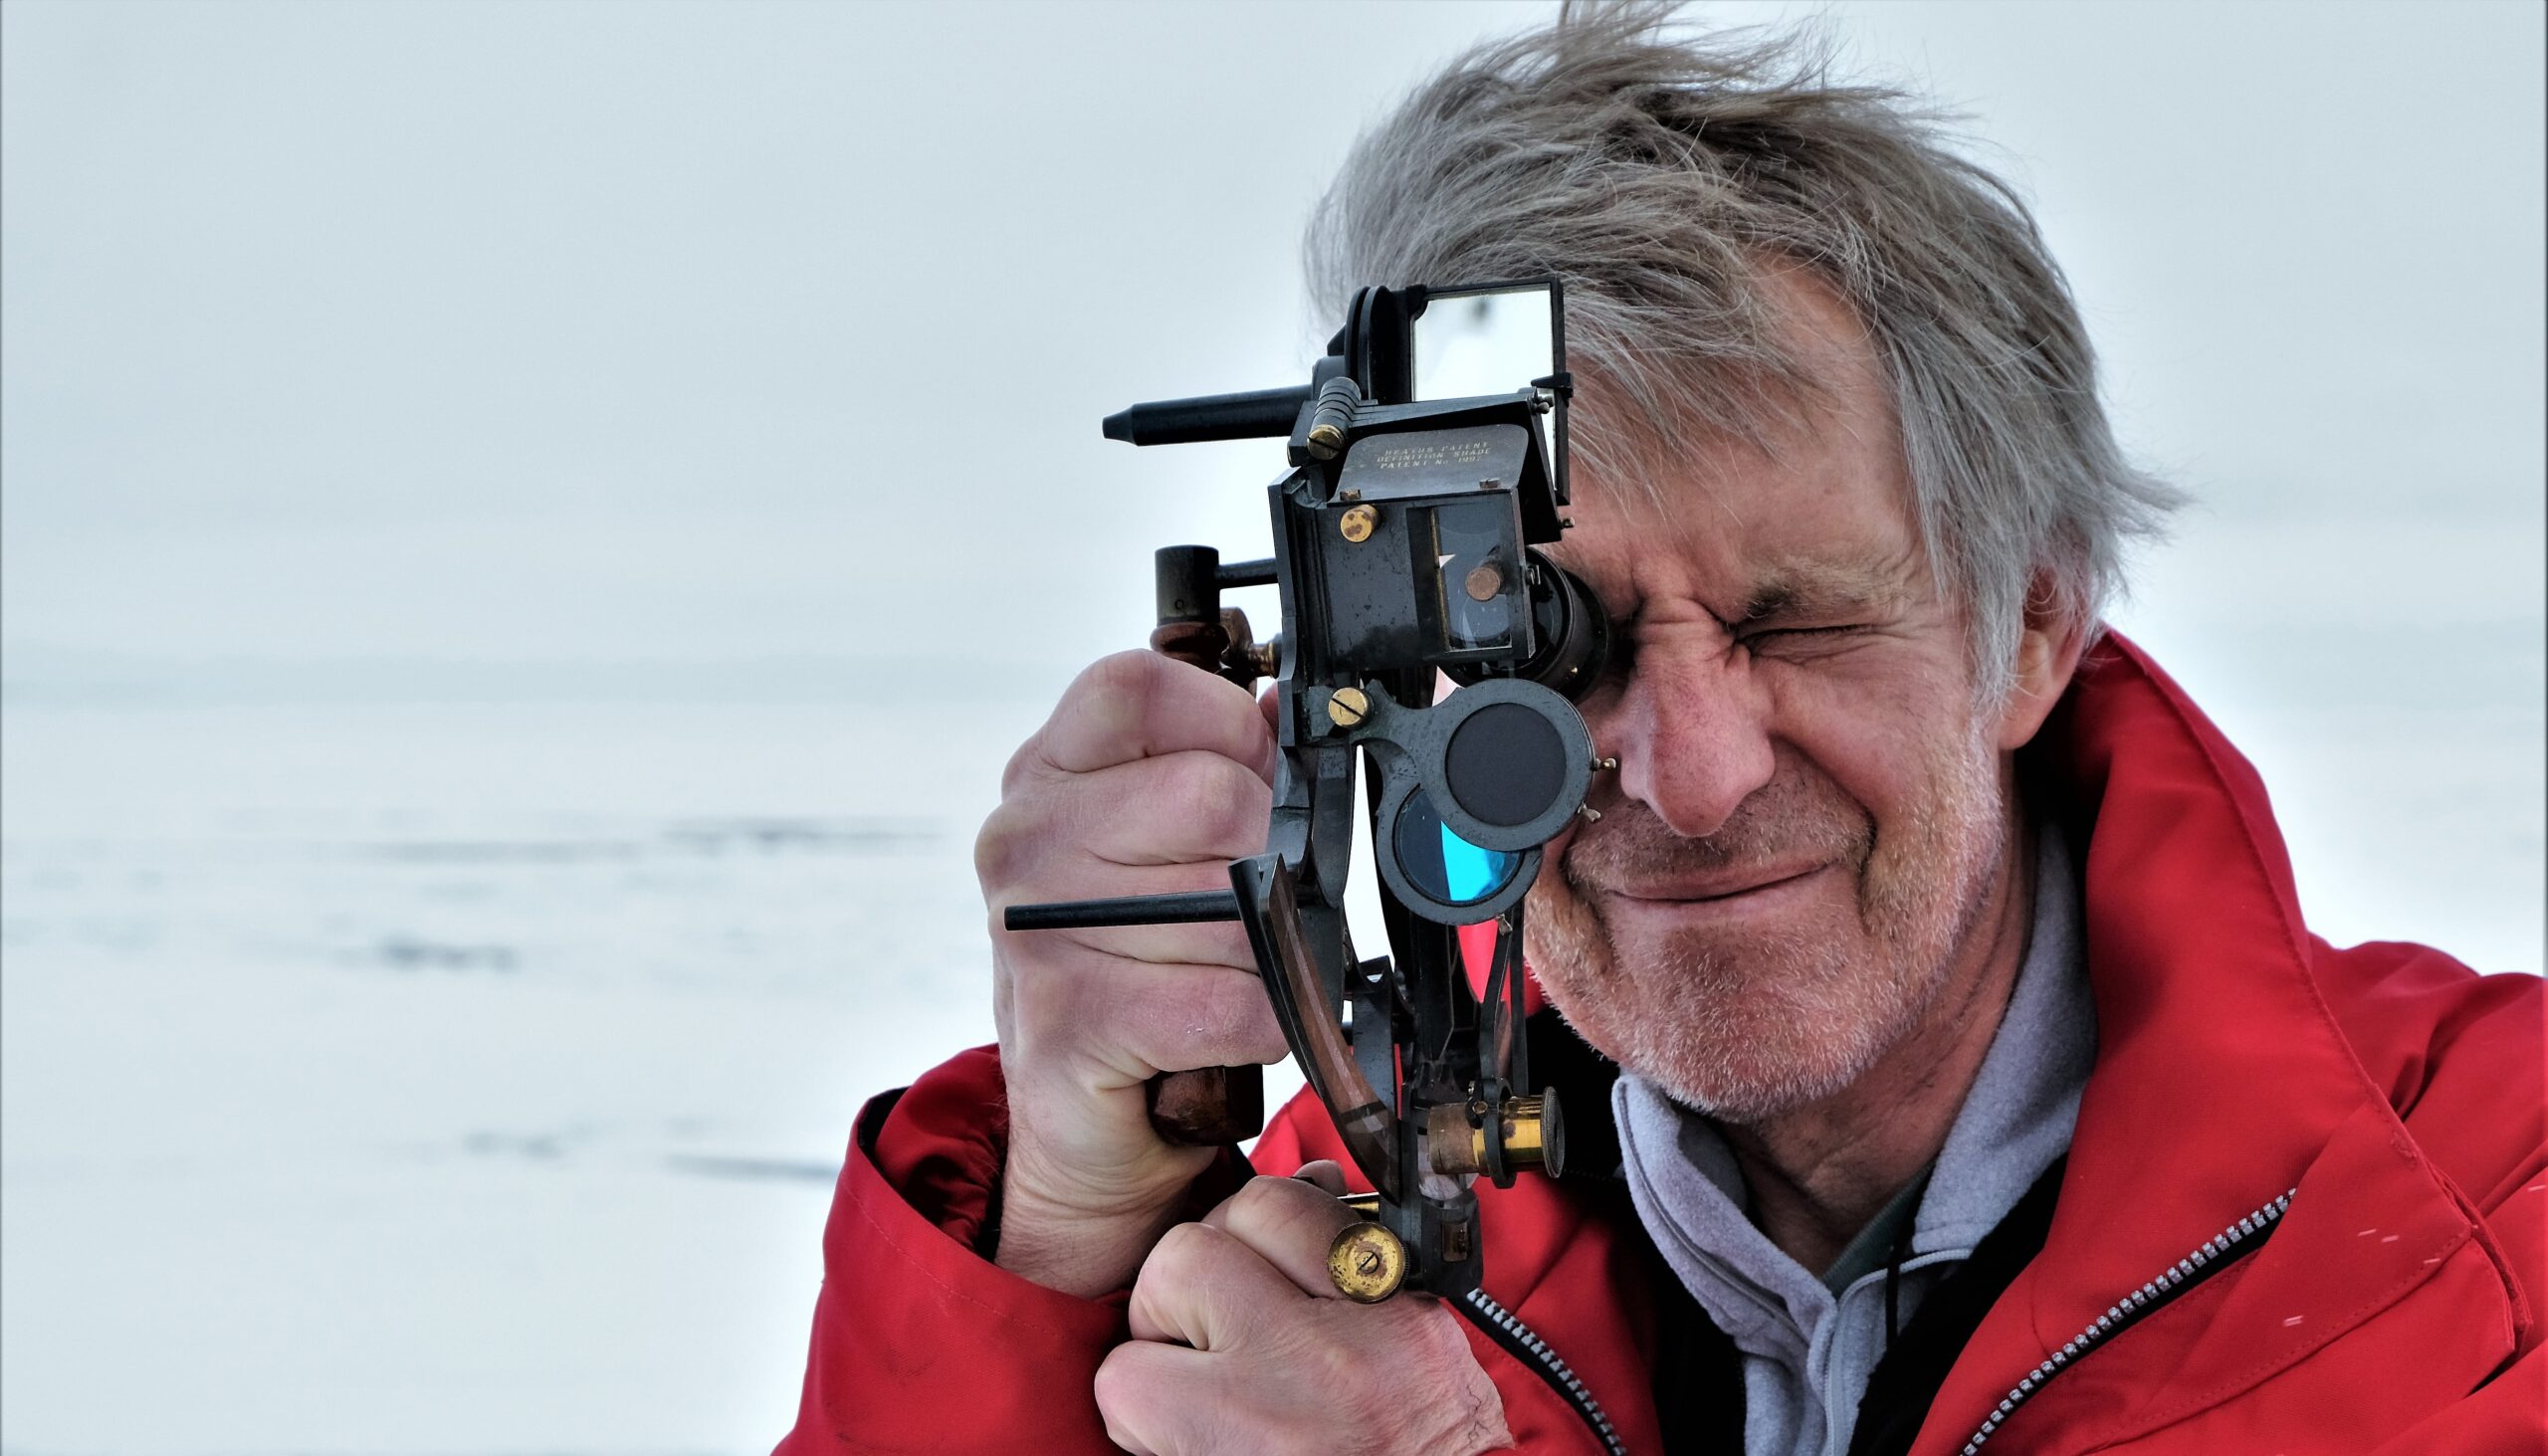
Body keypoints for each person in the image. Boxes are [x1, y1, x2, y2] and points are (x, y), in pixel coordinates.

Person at [774, 11, 2544, 1453]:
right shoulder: (1294, 1277)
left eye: (1797, 620)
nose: (1688, 775)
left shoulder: (2493, 1198)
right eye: (1561, 648)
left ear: (2030, 628)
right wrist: (1060, 1253)